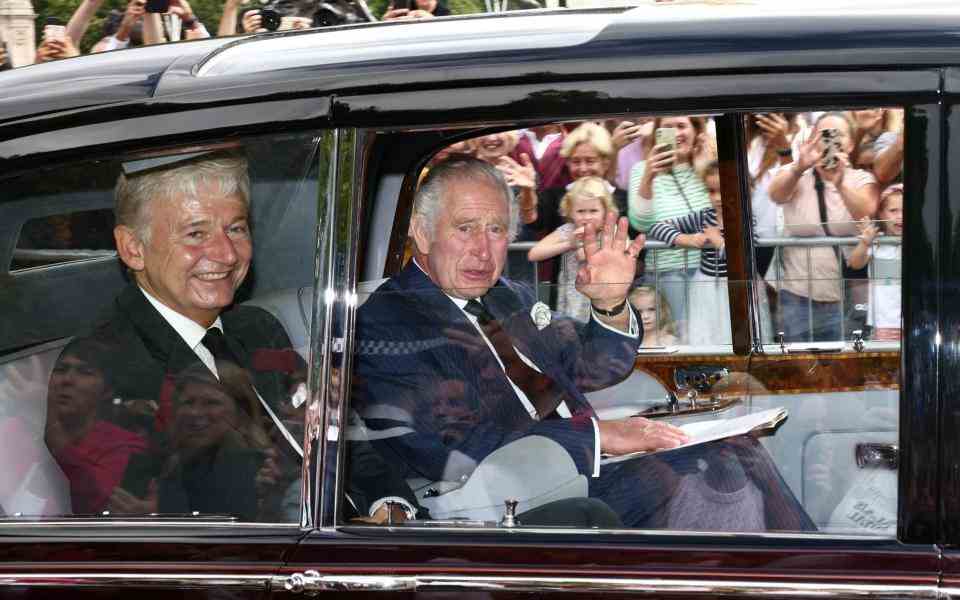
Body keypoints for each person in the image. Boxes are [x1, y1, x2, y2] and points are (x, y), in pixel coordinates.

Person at [354, 156, 814, 531]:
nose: (483, 249)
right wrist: (598, 438)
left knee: (735, 450)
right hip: (507, 495)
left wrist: (611, 305)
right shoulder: (390, 319)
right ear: (420, 232)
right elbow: (448, 445)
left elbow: (591, 367)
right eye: (465, 228)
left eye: (496, 230)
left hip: (576, 468)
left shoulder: (506, 296)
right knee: (717, 463)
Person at [56, 151, 420, 523]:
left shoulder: (256, 328)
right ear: (133, 248)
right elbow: (157, 535)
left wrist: (388, 506)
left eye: (236, 228)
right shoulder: (99, 367)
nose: (227, 253)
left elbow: (334, 433)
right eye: (196, 233)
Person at [767, 112, 879, 342]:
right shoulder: (796, 173)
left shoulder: (860, 178)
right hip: (795, 294)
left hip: (842, 296)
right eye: (823, 134)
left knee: (839, 368)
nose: (829, 141)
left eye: (836, 135)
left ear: (849, 143)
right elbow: (776, 194)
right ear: (811, 139)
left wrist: (839, 183)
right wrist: (799, 167)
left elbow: (866, 210)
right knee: (795, 366)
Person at [627, 115, 714, 343]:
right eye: (667, 128)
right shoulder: (641, 170)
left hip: (710, 273)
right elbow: (641, 224)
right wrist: (649, 176)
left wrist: (705, 167)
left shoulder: (711, 165)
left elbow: (720, 215)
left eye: (682, 126)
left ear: (696, 131)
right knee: (675, 342)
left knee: (707, 343)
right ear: (657, 135)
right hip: (668, 275)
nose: (676, 133)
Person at [44, 339, 148, 514]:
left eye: (84, 372)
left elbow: (99, 508)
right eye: (60, 370)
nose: (67, 380)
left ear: (107, 390)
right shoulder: (18, 430)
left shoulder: (126, 447)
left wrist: (54, 432)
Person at [647, 160, 732, 346]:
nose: (717, 197)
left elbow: (749, 256)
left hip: (736, 288)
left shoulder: (746, 218)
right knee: (706, 336)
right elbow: (656, 227)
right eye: (711, 191)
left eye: (723, 190)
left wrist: (719, 243)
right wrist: (687, 239)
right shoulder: (704, 216)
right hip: (707, 288)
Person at [527, 176, 621, 322]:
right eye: (581, 211)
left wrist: (587, 248)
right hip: (573, 293)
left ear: (605, 211)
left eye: (593, 211)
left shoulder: (610, 231)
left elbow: (585, 255)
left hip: (602, 293)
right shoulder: (568, 230)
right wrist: (568, 244)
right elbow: (534, 254)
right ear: (570, 211)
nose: (587, 217)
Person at [846, 184, 903, 341]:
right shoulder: (877, 242)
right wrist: (865, 242)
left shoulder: (919, 242)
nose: (900, 216)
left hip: (916, 319)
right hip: (884, 322)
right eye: (893, 211)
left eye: (905, 210)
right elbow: (855, 263)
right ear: (881, 213)